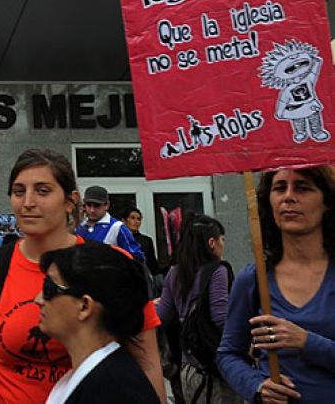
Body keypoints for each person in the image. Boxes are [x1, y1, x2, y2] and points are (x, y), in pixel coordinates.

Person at [0, 148, 165, 403]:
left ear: (70, 200)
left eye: (43, 191)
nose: (28, 202)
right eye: (19, 192)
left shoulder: (113, 265)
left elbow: (147, 364)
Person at [218, 167, 335, 403]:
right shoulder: (253, 278)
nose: (288, 197)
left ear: (327, 202)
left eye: (302, 187)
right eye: (280, 188)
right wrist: (257, 386)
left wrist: (306, 341)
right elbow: (228, 353)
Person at [36, 242, 159, 404]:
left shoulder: (114, 391)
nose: (38, 299)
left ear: (85, 306)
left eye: (49, 288)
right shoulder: (97, 377)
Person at [158, 215, 241, 404]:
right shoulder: (217, 271)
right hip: (216, 366)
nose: (223, 245)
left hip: (188, 368)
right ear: (212, 242)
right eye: (222, 240)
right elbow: (220, 317)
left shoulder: (174, 272)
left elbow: (161, 315)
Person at [75, 186, 147, 264]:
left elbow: (137, 259)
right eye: (89, 205)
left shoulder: (117, 228)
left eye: (97, 205)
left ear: (107, 205)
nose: (92, 210)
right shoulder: (78, 227)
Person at [125, 207, 163, 279]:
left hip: (142, 279)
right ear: (124, 220)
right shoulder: (119, 238)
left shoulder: (146, 240)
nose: (136, 221)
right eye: (132, 218)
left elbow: (152, 264)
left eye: (138, 219)